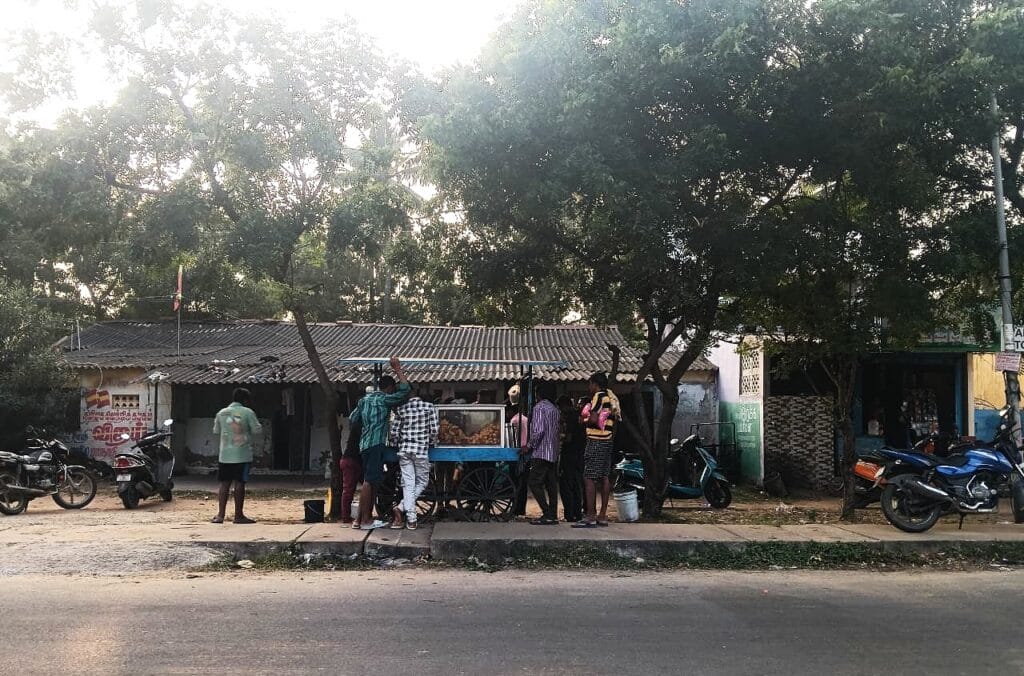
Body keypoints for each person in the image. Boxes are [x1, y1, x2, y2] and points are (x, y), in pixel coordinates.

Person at [349, 357, 410, 530]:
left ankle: (358, 520)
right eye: (393, 389)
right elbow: (405, 390)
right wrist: (397, 369)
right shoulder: (385, 399)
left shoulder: (364, 400)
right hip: (376, 444)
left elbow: (353, 419)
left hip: (364, 445)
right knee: (369, 481)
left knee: (372, 481)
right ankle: (366, 521)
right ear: (389, 388)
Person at [573, 372, 619, 528]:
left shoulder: (598, 397)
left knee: (589, 477)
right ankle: (602, 515)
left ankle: (590, 516)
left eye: (590, 384)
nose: (589, 387)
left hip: (596, 441)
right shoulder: (611, 397)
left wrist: (582, 420)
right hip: (607, 440)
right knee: (604, 476)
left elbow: (593, 419)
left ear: (594, 384)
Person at [389, 387, 439, 530]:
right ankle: (407, 515)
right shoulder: (429, 407)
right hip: (421, 451)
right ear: (418, 393)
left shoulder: (401, 409)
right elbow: (434, 431)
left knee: (408, 484)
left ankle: (406, 513)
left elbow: (394, 432)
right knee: (422, 482)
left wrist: (395, 443)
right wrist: (430, 441)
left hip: (404, 451)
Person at [211, 387, 262, 524]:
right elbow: (257, 430)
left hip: (225, 455)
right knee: (240, 484)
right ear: (246, 400)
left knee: (224, 484)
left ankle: (220, 515)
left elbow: (216, 430)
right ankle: (238, 516)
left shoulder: (222, 413)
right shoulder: (248, 412)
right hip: (242, 455)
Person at [522, 382, 561, 525]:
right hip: (553, 452)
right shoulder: (555, 409)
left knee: (534, 482)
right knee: (551, 485)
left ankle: (547, 512)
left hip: (541, 452)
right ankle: (553, 514)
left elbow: (538, 431)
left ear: (539, 394)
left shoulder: (539, 408)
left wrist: (529, 446)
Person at [557, 395, 585, 523]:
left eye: (561, 408)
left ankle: (569, 514)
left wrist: (560, 438)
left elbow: (568, 438)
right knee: (576, 485)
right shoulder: (577, 415)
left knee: (566, 485)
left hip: (570, 455)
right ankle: (577, 513)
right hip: (579, 455)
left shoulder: (572, 418)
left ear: (565, 406)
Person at [338, 416, 363, 524]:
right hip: (352, 461)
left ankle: (347, 515)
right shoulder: (360, 427)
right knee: (348, 490)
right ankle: (345, 516)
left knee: (349, 489)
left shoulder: (356, 426)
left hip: (350, 460)